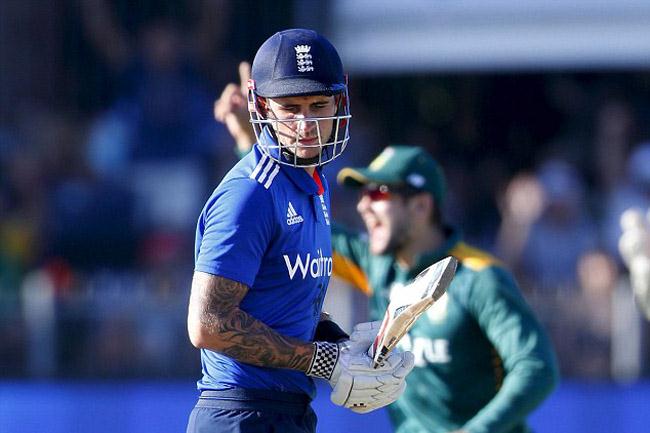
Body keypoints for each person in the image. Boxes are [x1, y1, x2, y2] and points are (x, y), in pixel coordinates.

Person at [214, 63, 558, 433]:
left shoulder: (479, 277)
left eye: (379, 194)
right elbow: (288, 221)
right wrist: (250, 136)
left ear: (421, 206)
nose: (364, 206)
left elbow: (535, 368)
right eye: (363, 194)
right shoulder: (375, 264)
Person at [187, 29, 414, 433]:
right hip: (240, 414)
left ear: (339, 102)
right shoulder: (251, 194)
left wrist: (340, 344)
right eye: (289, 107)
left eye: (318, 105)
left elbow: (280, 298)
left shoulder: (312, 183)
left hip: (288, 411)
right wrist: (319, 360)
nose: (306, 123)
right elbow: (208, 323)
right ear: (263, 107)